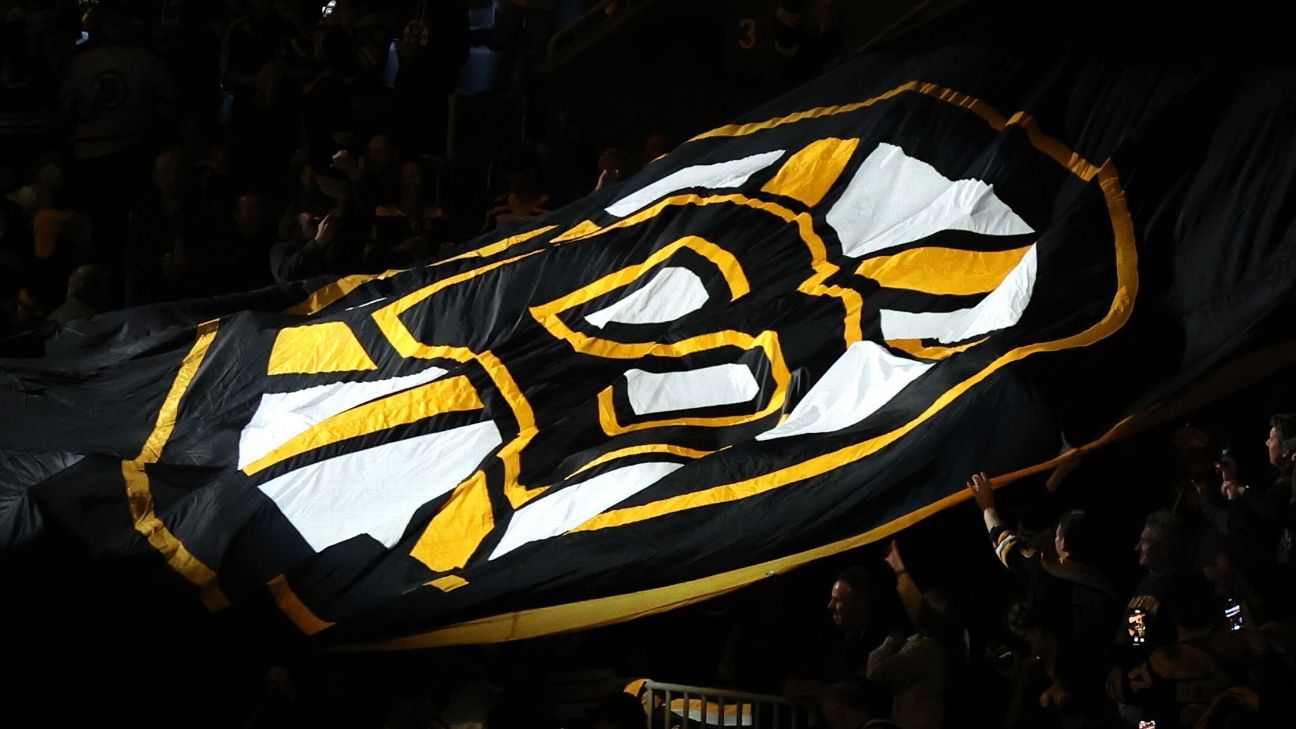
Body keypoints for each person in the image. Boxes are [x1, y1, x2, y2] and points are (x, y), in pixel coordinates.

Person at [966, 472, 1120, 726]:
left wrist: (987, 507)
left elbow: (1006, 545)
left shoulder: (1047, 579)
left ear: (1063, 545)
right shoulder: (1108, 581)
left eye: (1057, 536)